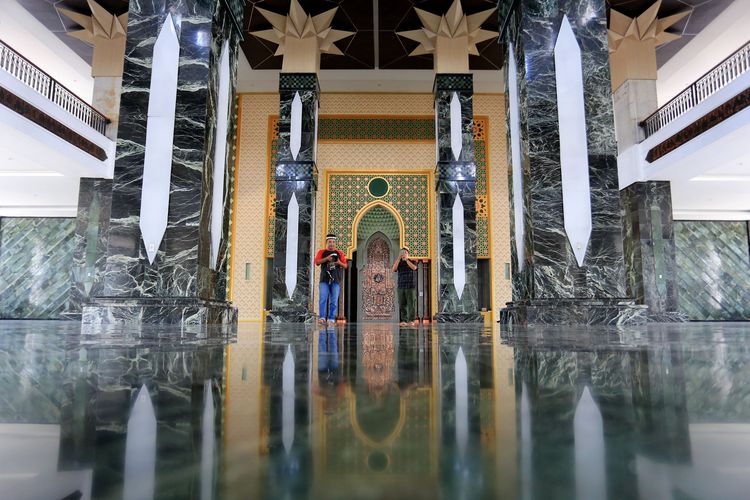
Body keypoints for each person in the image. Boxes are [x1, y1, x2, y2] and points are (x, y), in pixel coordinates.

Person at [314, 234, 348, 326]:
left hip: (336, 280)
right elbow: (316, 262)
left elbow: (345, 266)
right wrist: (326, 259)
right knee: (323, 299)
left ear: (335, 243)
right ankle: (322, 318)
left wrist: (338, 262)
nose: (331, 244)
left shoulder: (339, 253)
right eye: (329, 242)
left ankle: (331, 319)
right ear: (326, 243)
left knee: (334, 300)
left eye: (333, 242)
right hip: (324, 280)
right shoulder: (322, 252)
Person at [392, 247, 418, 326]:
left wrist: (406, 259)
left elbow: (414, 268)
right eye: (402, 252)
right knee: (402, 304)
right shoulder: (399, 262)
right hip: (401, 286)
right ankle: (404, 320)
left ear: (408, 253)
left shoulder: (412, 261)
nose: (403, 254)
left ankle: (411, 320)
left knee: (411, 304)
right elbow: (394, 269)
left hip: (410, 286)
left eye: (405, 252)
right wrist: (399, 258)